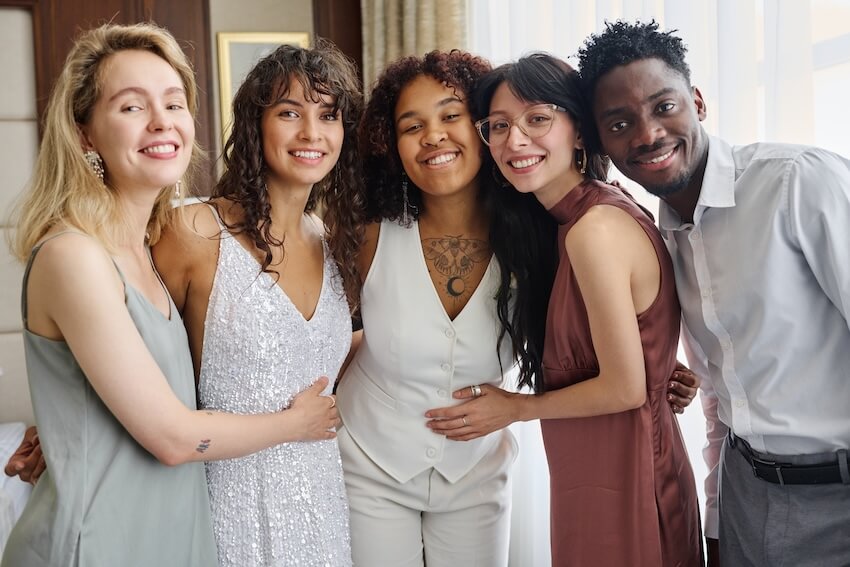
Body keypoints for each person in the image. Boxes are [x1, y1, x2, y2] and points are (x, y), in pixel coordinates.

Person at [338, 50, 699, 567]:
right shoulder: (369, 233)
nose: (434, 135)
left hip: (481, 470)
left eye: (450, 116)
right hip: (371, 460)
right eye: (411, 125)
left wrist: (660, 364)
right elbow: (326, 331)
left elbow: (612, 322)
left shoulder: (542, 230)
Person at [1, 23, 341, 567]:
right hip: (95, 545)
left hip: (172, 538)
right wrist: (296, 424)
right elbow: (171, 436)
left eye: (174, 103)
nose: (162, 121)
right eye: (132, 107)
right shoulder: (74, 256)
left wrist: (66, 424)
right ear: (84, 133)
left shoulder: (150, 248)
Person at [577, 20, 850, 567]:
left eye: (663, 106)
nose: (647, 134)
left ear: (697, 102)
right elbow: (717, 397)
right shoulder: (657, 240)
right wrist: (717, 518)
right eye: (620, 122)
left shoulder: (798, 183)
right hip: (746, 495)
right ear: (601, 140)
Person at [151, 41, 362, 566]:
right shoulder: (194, 230)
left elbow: (319, 353)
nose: (312, 133)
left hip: (321, 502)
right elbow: (135, 349)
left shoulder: (333, 240)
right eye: (289, 112)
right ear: (254, 125)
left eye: (328, 116)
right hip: (225, 505)